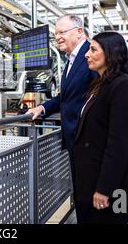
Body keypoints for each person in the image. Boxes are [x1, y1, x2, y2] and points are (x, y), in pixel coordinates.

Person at [73, 32, 128, 224]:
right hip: (95, 178)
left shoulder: (123, 86)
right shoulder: (99, 84)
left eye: (93, 49)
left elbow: (120, 144)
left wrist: (105, 189)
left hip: (117, 186)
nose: (86, 55)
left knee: (114, 220)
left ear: (111, 53)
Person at [27, 15, 97, 153]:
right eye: (55, 34)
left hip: (89, 138)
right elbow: (66, 97)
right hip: (75, 137)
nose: (57, 37)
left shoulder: (92, 54)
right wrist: (42, 108)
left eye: (62, 32)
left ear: (78, 32)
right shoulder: (71, 60)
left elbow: (101, 94)